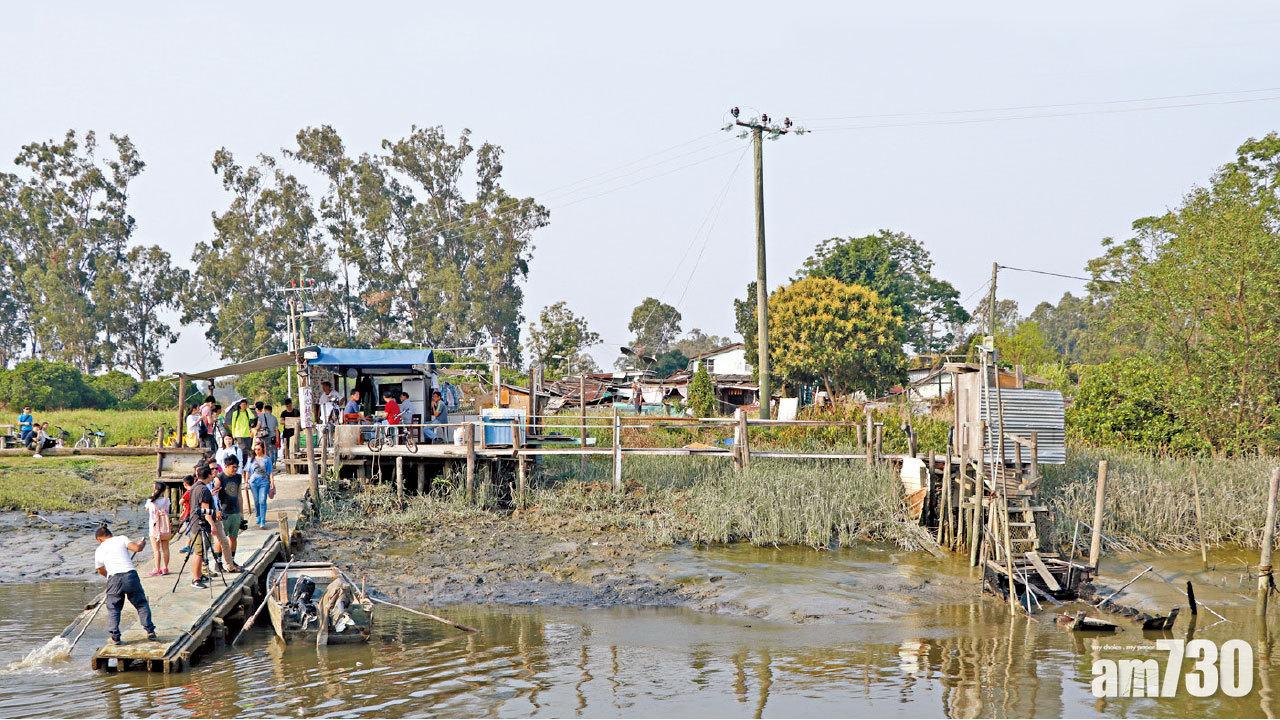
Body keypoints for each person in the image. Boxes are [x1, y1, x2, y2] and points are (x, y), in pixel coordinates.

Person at [94, 526, 157, 645]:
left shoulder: (99, 549)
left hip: (113, 578)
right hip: (130, 575)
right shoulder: (121, 538)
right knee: (141, 603)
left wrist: (110, 576)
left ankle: (115, 637)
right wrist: (142, 543)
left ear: (99, 539)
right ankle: (150, 631)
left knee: (114, 608)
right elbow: (137, 548)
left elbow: (100, 570)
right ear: (110, 534)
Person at [215, 456, 244, 558]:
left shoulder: (238, 477)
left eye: (237, 467)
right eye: (233, 467)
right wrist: (217, 511)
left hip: (235, 512)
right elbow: (214, 498)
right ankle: (218, 562)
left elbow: (240, 496)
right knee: (221, 539)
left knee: (233, 537)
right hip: (223, 512)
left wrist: (241, 513)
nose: (235, 469)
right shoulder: (219, 478)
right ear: (226, 466)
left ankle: (232, 559)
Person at [144, 482, 172, 577]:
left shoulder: (150, 501)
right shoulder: (166, 500)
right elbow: (167, 511)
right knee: (165, 549)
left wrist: (152, 497)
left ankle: (157, 569)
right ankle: (165, 568)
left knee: (156, 550)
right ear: (163, 490)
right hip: (164, 527)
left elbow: (146, 509)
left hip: (154, 527)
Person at [246, 441, 275, 529]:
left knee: (262, 500)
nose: (257, 451)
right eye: (255, 449)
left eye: (258, 449)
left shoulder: (267, 459)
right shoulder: (251, 459)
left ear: (262, 449)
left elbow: (270, 472)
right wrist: (246, 482)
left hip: (264, 482)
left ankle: (263, 519)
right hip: (253, 482)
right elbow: (247, 471)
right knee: (256, 500)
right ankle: (258, 515)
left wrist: (272, 482)